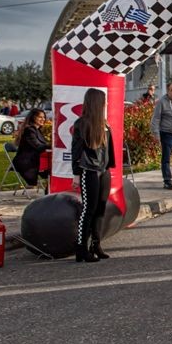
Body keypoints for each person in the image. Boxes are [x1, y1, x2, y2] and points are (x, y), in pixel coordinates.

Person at [71, 88, 116, 263]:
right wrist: (76, 174)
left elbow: (108, 150)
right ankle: (81, 248)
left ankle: (96, 245)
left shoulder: (104, 124)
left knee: (100, 209)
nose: (106, 103)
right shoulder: (81, 124)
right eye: (104, 101)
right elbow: (76, 150)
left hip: (104, 171)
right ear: (97, 102)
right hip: (88, 170)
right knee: (88, 209)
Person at [13, 108, 50, 188]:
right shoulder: (29, 130)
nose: (43, 119)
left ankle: (49, 188)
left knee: (52, 166)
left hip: (34, 159)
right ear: (33, 117)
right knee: (52, 168)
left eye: (44, 117)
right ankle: (49, 189)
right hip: (26, 162)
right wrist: (52, 145)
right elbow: (38, 146)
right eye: (40, 117)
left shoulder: (37, 130)